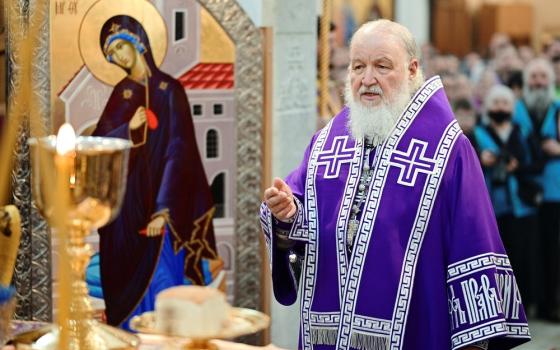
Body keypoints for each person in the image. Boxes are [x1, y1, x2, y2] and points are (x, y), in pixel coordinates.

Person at [260, 20, 530, 349]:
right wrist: (286, 213)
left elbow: (472, 244)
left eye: (382, 66)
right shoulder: (326, 143)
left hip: (415, 330)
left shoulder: (448, 150)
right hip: (330, 337)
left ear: (412, 70)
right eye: (358, 66)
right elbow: (298, 210)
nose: (367, 79)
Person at [92, 15, 218, 329]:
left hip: (165, 212)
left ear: (139, 42)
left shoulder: (169, 90)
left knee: (165, 289)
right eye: (112, 54)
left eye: (121, 47)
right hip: (126, 214)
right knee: (127, 301)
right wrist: (127, 129)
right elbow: (97, 143)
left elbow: (179, 149)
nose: (119, 57)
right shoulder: (120, 93)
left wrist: (164, 209)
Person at [474, 85, 541, 314]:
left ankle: (522, 306)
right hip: (491, 207)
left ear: (512, 107)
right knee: (497, 258)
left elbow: (537, 164)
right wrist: (482, 162)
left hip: (521, 205)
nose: (500, 107)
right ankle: (499, 308)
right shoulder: (476, 133)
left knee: (523, 255)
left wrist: (518, 166)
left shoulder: (522, 132)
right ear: (487, 107)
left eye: (505, 103)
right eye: (495, 103)